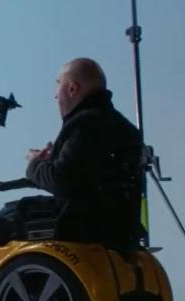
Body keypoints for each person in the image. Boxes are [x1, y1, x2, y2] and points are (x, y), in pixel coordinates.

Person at [25, 57, 144, 251]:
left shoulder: (85, 126)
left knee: (4, 226)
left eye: (58, 86)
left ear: (72, 89)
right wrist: (54, 157)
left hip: (86, 233)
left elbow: (61, 179)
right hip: (123, 234)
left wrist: (34, 165)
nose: (55, 96)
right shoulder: (124, 127)